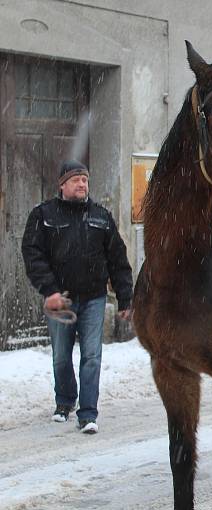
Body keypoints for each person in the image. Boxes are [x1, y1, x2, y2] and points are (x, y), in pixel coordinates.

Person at [21, 160, 133, 434]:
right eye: (76, 180)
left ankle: (88, 413)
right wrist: (49, 290)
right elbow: (33, 255)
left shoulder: (101, 216)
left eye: (85, 180)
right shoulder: (43, 215)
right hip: (62, 299)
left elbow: (118, 259)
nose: (82, 184)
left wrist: (126, 298)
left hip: (94, 298)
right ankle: (65, 401)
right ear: (62, 185)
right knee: (61, 356)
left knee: (92, 356)